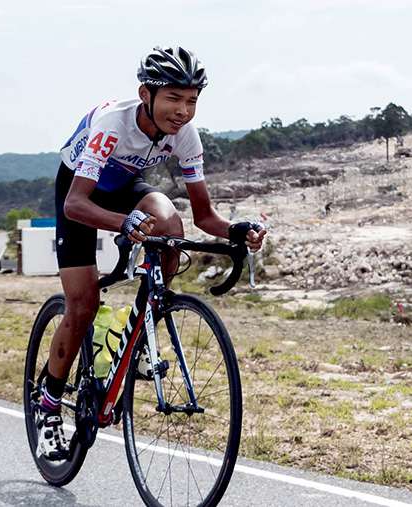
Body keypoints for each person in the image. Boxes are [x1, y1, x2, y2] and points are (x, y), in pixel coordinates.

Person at [35, 46, 267, 461]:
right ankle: (49, 403)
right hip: (79, 192)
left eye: (192, 100)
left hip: (125, 186)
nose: (183, 110)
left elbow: (205, 216)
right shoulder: (112, 124)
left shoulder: (186, 137)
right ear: (146, 94)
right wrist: (123, 224)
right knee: (83, 304)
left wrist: (237, 229)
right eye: (173, 98)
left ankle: (142, 327)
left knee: (171, 227)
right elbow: (76, 205)